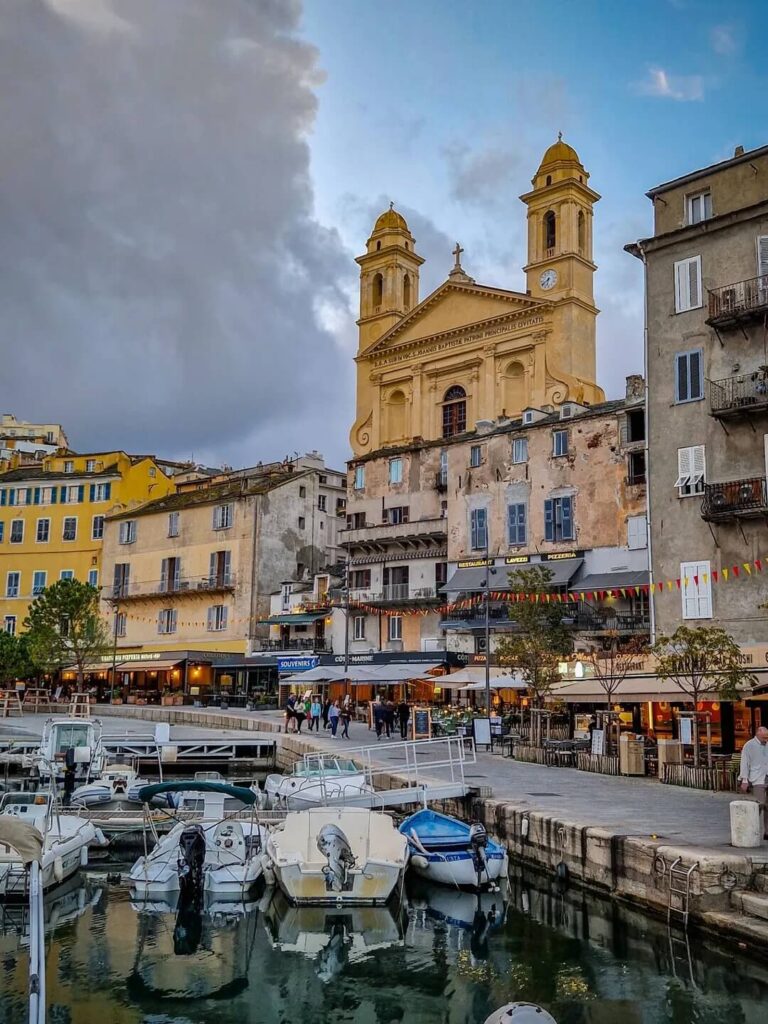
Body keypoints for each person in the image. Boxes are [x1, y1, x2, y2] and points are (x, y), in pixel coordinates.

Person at [738, 726, 768, 839]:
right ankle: (751, 829)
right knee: (760, 804)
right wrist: (744, 779)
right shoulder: (749, 746)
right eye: (764, 737)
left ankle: (767, 832)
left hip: (767, 775)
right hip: (757, 778)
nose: (766, 739)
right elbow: (744, 763)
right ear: (758, 734)